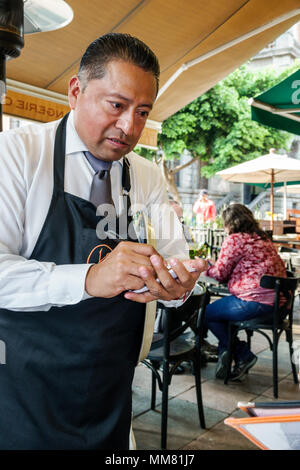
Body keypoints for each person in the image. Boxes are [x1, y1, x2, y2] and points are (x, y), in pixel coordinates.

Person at [0, 33, 207, 450]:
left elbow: (174, 260)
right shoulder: (17, 154)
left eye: (143, 112)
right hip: (24, 388)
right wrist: (91, 277)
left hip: (110, 385)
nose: (129, 126)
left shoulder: (146, 176)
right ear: (75, 91)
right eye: (117, 105)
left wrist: (177, 287)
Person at [204, 204, 286, 381]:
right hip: (279, 305)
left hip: (255, 302)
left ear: (230, 223)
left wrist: (203, 268)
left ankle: (240, 354)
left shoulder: (235, 239)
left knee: (207, 313)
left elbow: (219, 274)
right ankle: (225, 352)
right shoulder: (263, 239)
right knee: (222, 313)